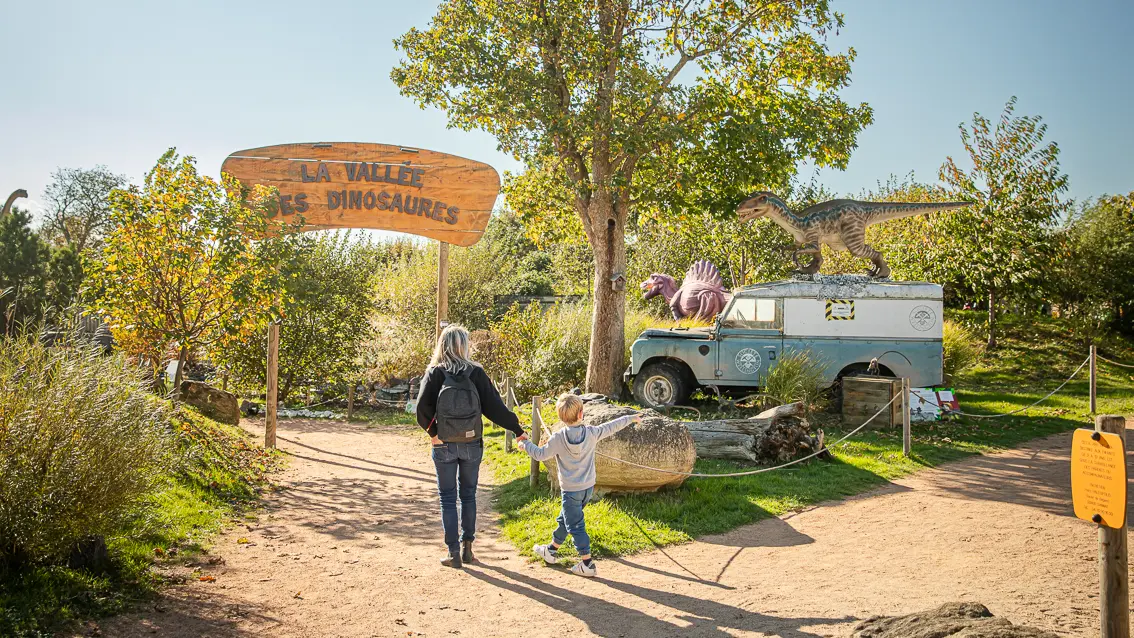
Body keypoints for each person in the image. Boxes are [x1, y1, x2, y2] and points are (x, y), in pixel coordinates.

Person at [416, 324, 525, 569]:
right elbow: (495, 408)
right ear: (464, 346)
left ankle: (453, 553)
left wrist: (433, 433)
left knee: (447, 498)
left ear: (442, 345)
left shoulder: (434, 372)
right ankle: (468, 549)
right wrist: (518, 430)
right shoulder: (476, 372)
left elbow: (421, 410)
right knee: (468, 495)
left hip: (443, 443)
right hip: (471, 443)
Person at [517, 394, 641, 577]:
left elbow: (540, 454)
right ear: (581, 414)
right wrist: (630, 418)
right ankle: (551, 550)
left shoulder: (558, 438)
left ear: (561, 417)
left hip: (571, 490)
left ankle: (587, 564)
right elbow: (611, 426)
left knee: (575, 525)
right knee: (566, 518)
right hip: (587, 488)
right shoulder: (592, 432)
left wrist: (525, 444)